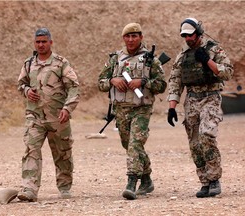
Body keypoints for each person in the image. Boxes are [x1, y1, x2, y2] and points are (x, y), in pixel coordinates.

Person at [98, 23, 167, 200]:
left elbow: (161, 85)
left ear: (141, 37)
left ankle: (131, 182)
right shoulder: (115, 59)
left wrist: (143, 82)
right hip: (121, 110)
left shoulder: (151, 59)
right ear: (123, 38)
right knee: (129, 146)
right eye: (127, 36)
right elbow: (100, 82)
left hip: (141, 109)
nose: (130, 40)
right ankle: (146, 179)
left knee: (135, 143)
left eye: (134, 36)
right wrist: (113, 80)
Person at [167, 18, 234, 198]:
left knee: (207, 135)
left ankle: (214, 179)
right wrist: (172, 107)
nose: (188, 38)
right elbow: (175, 81)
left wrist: (208, 62)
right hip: (192, 100)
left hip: (211, 97)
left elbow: (228, 72)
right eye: (185, 36)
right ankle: (204, 182)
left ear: (198, 32)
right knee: (195, 144)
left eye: (190, 34)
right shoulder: (183, 55)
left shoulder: (213, 49)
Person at [17, 28, 80, 201]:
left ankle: (64, 186)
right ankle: (29, 188)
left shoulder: (61, 63)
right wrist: (27, 90)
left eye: (44, 41)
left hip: (58, 117)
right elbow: (20, 84)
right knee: (31, 150)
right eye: (38, 42)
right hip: (35, 117)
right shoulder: (29, 64)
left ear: (50, 42)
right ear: (34, 43)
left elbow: (74, 87)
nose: (41, 45)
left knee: (62, 152)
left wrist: (67, 108)